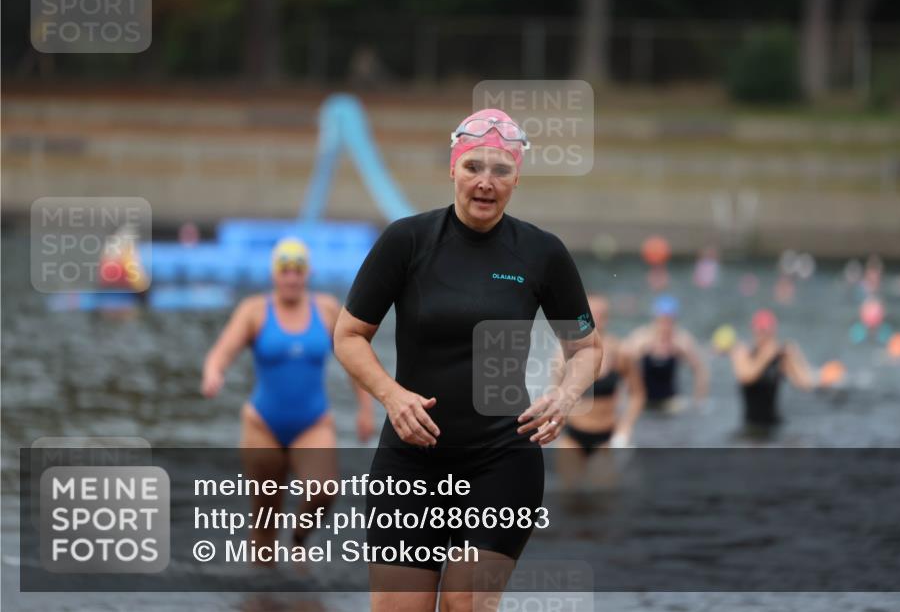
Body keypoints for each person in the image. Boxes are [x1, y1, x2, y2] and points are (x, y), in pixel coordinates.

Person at [333, 109, 602, 612]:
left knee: (465, 603)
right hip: (410, 459)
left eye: (500, 170)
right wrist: (390, 395)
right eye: (473, 167)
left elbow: (586, 348)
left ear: (516, 178)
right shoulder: (407, 241)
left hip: (501, 458)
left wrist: (566, 397)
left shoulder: (541, 253)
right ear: (452, 170)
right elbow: (348, 336)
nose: (485, 182)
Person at [201, 237, 375, 555]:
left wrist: (365, 409)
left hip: (313, 422)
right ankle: (261, 595)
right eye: (285, 270)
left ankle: (298, 538)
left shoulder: (325, 309)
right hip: (262, 425)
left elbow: (354, 359)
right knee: (264, 523)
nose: (292, 277)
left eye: (298, 270)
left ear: (307, 273)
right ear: (275, 274)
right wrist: (214, 373)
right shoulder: (254, 311)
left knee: (324, 490)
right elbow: (221, 352)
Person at [556, 294, 644, 456]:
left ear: (606, 318)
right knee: (568, 482)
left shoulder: (621, 352)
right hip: (573, 435)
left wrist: (626, 426)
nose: (595, 320)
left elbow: (637, 394)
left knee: (600, 481)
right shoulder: (565, 354)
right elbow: (556, 394)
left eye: (600, 315)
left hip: (606, 435)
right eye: (590, 315)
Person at [728, 309, 815, 440]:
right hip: (751, 426)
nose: (763, 336)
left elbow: (806, 385)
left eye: (767, 332)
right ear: (754, 331)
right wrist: (766, 355)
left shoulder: (779, 359)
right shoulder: (743, 352)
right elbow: (745, 377)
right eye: (760, 331)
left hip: (775, 426)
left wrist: (796, 356)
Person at [622, 294, 709, 415]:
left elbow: (700, 370)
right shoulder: (641, 338)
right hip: (643, 400)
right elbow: (623, 365)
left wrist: (699, 400)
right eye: (662, 320)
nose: (665, 325)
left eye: (669, 320)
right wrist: (626, 396)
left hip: (670, 401)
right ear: (655, 319)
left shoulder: (681, 340)